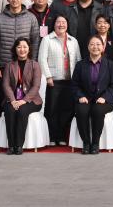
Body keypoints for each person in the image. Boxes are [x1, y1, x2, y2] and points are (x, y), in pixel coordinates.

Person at [0, 0, 40, 124]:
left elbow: (35, 41)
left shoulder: (31, 18)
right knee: (4, 100)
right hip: (3, 66)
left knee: (23, 100)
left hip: (25, 66)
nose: (14, 0)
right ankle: (3, 131)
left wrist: (32, 63)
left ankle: (19, 129)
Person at [71, 35, 113, 155]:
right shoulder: (80, 65)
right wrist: (80, 96)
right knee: (81, 110)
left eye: (98, 44)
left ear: (103, 47)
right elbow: (75, 84)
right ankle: (86, 143)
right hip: (85, 98)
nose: (95, 47)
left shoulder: (110, 65)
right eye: (92, 44)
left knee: (97, 110)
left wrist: (105, 97)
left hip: (104, 100)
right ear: (88, 47)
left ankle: (95, 143)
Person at [38, 15, 80, 145]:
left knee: (67, 109)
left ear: (67, 24)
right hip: (53, 81)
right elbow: (41, 59)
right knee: (52, 109)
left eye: (63, 22)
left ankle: (61, 136)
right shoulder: (47, 39)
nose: (61, 24)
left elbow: (78, 60)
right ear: (54, 24)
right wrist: (48, 76)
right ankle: (52, 136)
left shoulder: (73, 40)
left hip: (70, 81)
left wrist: (77, 79)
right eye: (58, 22)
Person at [2, 37, 42, 155]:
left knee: (22, 111)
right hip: (13, 99)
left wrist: (24, 100)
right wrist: (13, 100)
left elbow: (36, 86)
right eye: (19, 47)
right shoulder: (9, 65)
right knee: (10, 111)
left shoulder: (35, 65)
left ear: (29, 49)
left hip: (31, 101)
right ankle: (11, 146)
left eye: (25, 47)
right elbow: (6, 85)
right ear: (15, 49)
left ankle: (19, 145)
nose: (22, 49)